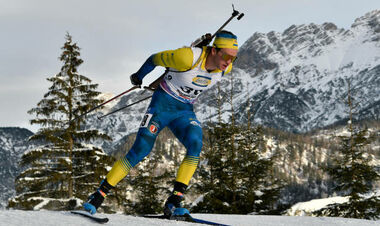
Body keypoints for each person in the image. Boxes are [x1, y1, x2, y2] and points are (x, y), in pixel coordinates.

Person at [83, 30, 238, 217]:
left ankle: (174, 201)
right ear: (214, 50)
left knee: (196, 144)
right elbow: (153, 59)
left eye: (233, 58)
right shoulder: (186, 58)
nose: (229, 62)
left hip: (184, 112)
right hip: (161, 107)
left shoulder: (225, 68)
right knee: (141, 150)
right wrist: (138, 76)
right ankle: (98, 195)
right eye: (227, 56)